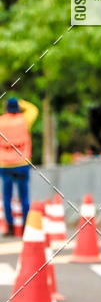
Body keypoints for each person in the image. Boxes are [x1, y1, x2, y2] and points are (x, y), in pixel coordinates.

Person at [0, 97, 38, 235]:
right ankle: (26, 226)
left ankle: (10, 227)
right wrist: (22, 102)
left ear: (6, 108)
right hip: (22, 163)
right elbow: (33, 109)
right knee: (24, 196)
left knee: (7, 197)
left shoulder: (1, 121)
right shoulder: (24, 120)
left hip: (5, 164)